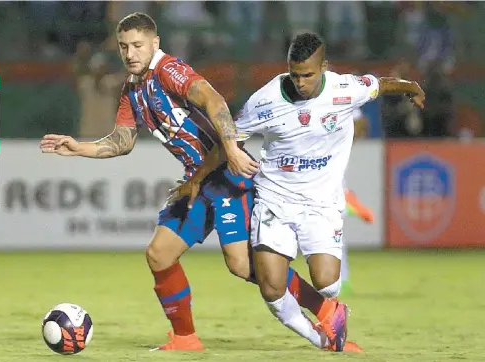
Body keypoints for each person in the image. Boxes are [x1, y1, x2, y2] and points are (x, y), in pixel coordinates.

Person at [40, 14, 346, 352]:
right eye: (124, 47)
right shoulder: (133, 88)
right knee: (159, 254)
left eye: (137, 45)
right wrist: (80, 147)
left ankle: (326, 308)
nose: (130, 53)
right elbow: (123, 141)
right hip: (196, 182)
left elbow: (213, 99)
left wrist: (229, 146)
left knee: (242, 265)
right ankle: (185, 338)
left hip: (226, 176)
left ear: (154, 44)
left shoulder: (169, 71)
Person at [170, 32, 425, 352]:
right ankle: (323, 341)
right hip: (275, 200)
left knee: (327, 282)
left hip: (321, 203)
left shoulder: (344, 89)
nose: (301, 82)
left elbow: (380, 84)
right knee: (271, 287)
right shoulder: (265, 100)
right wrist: (196, 179)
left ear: (324, 68)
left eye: (308, 75)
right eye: (295, 75)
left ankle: (333, 310)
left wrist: (410, 88)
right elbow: (230, 142)